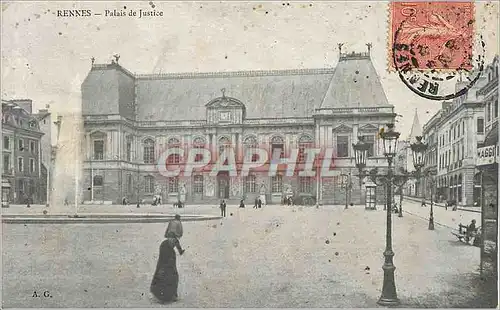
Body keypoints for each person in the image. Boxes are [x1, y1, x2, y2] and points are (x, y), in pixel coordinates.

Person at [150, 237, 180, 303]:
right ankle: (164, 297)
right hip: (165, 267)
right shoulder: (165, 248)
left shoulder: (170, 250)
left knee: (172, 277)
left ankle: (168, 296)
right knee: (168, 278)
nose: (174, 245)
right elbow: (164, 260)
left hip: (167, 266)